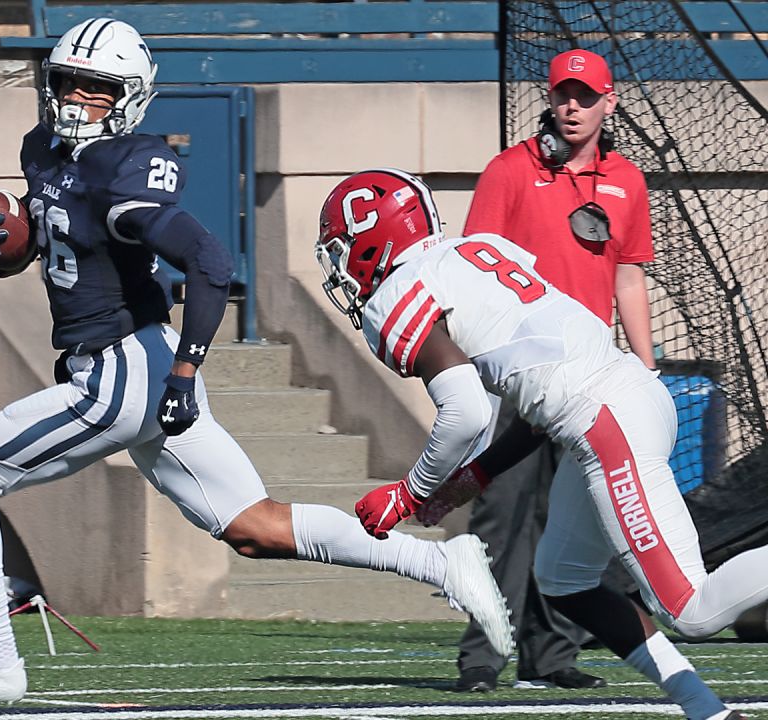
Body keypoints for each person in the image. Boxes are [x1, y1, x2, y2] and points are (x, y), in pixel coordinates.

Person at [0, 18, 514, 708]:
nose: (75, 99)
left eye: (95, 90)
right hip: (124, 363)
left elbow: (210, 262)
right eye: (67, 82)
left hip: (122, 369)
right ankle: (440, 561)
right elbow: (52, 246)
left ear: (128, 96)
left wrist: (188, 371)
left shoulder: (125, 166)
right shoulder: (41, 149)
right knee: (254, 526)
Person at [315, 167, 766, 720]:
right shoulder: (475, 251)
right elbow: (538, 397)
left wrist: (411, 493)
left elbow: (466, 410)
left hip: (605, 419)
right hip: (618, 398)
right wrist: (470, 479)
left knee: (693, 609)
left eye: (343, 248)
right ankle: (707, 710)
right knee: (565, 580)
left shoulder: (397, 295)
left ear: (371, 238)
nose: (341, 267)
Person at [450, 48, 657, 693]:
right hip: (516, 374)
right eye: (564, 95)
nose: (573, 107)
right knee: (503, 514)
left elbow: (628, 278)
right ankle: (483, 656)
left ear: (608, 102)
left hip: (589, 377)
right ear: (551, 98)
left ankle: (553, 653)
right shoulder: (511, 170)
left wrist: (645, 367)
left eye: (586, 96)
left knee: (573, 519)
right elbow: (473, 267)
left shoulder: (627, 180)